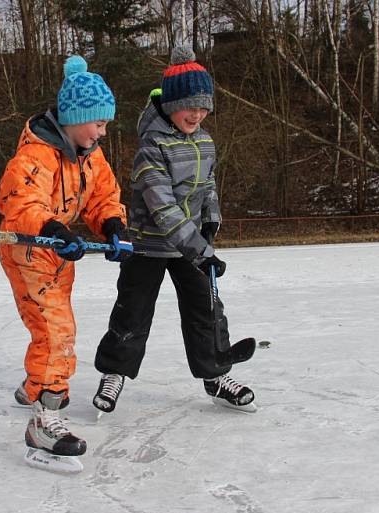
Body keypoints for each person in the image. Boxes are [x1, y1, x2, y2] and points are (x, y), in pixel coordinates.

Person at [92, 46, 257, 415]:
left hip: (192, 244)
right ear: (169, 104)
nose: (196, 113)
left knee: (207, 309)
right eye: (188, 105)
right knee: (133, 311)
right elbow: (162, 206)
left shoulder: (205, 141)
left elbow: (208, 184)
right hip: (150, 245)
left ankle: (216, 375)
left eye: (203, 106)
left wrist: (211, 215)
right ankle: (114, 372)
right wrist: (200, 249)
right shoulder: (152, 146)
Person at [0, 55, 133, 457]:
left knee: (51, 325)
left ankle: (35, 386)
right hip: (29, 250)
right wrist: (54, 230)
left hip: (57, 255)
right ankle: (45, 418)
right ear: (74, 118)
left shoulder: (89, 155)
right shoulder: (34, 156)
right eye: (98, 123)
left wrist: (112, 227)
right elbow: (20, 203)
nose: (102, 132)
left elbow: (103, 197)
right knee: (57, 331)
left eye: (105, 124)